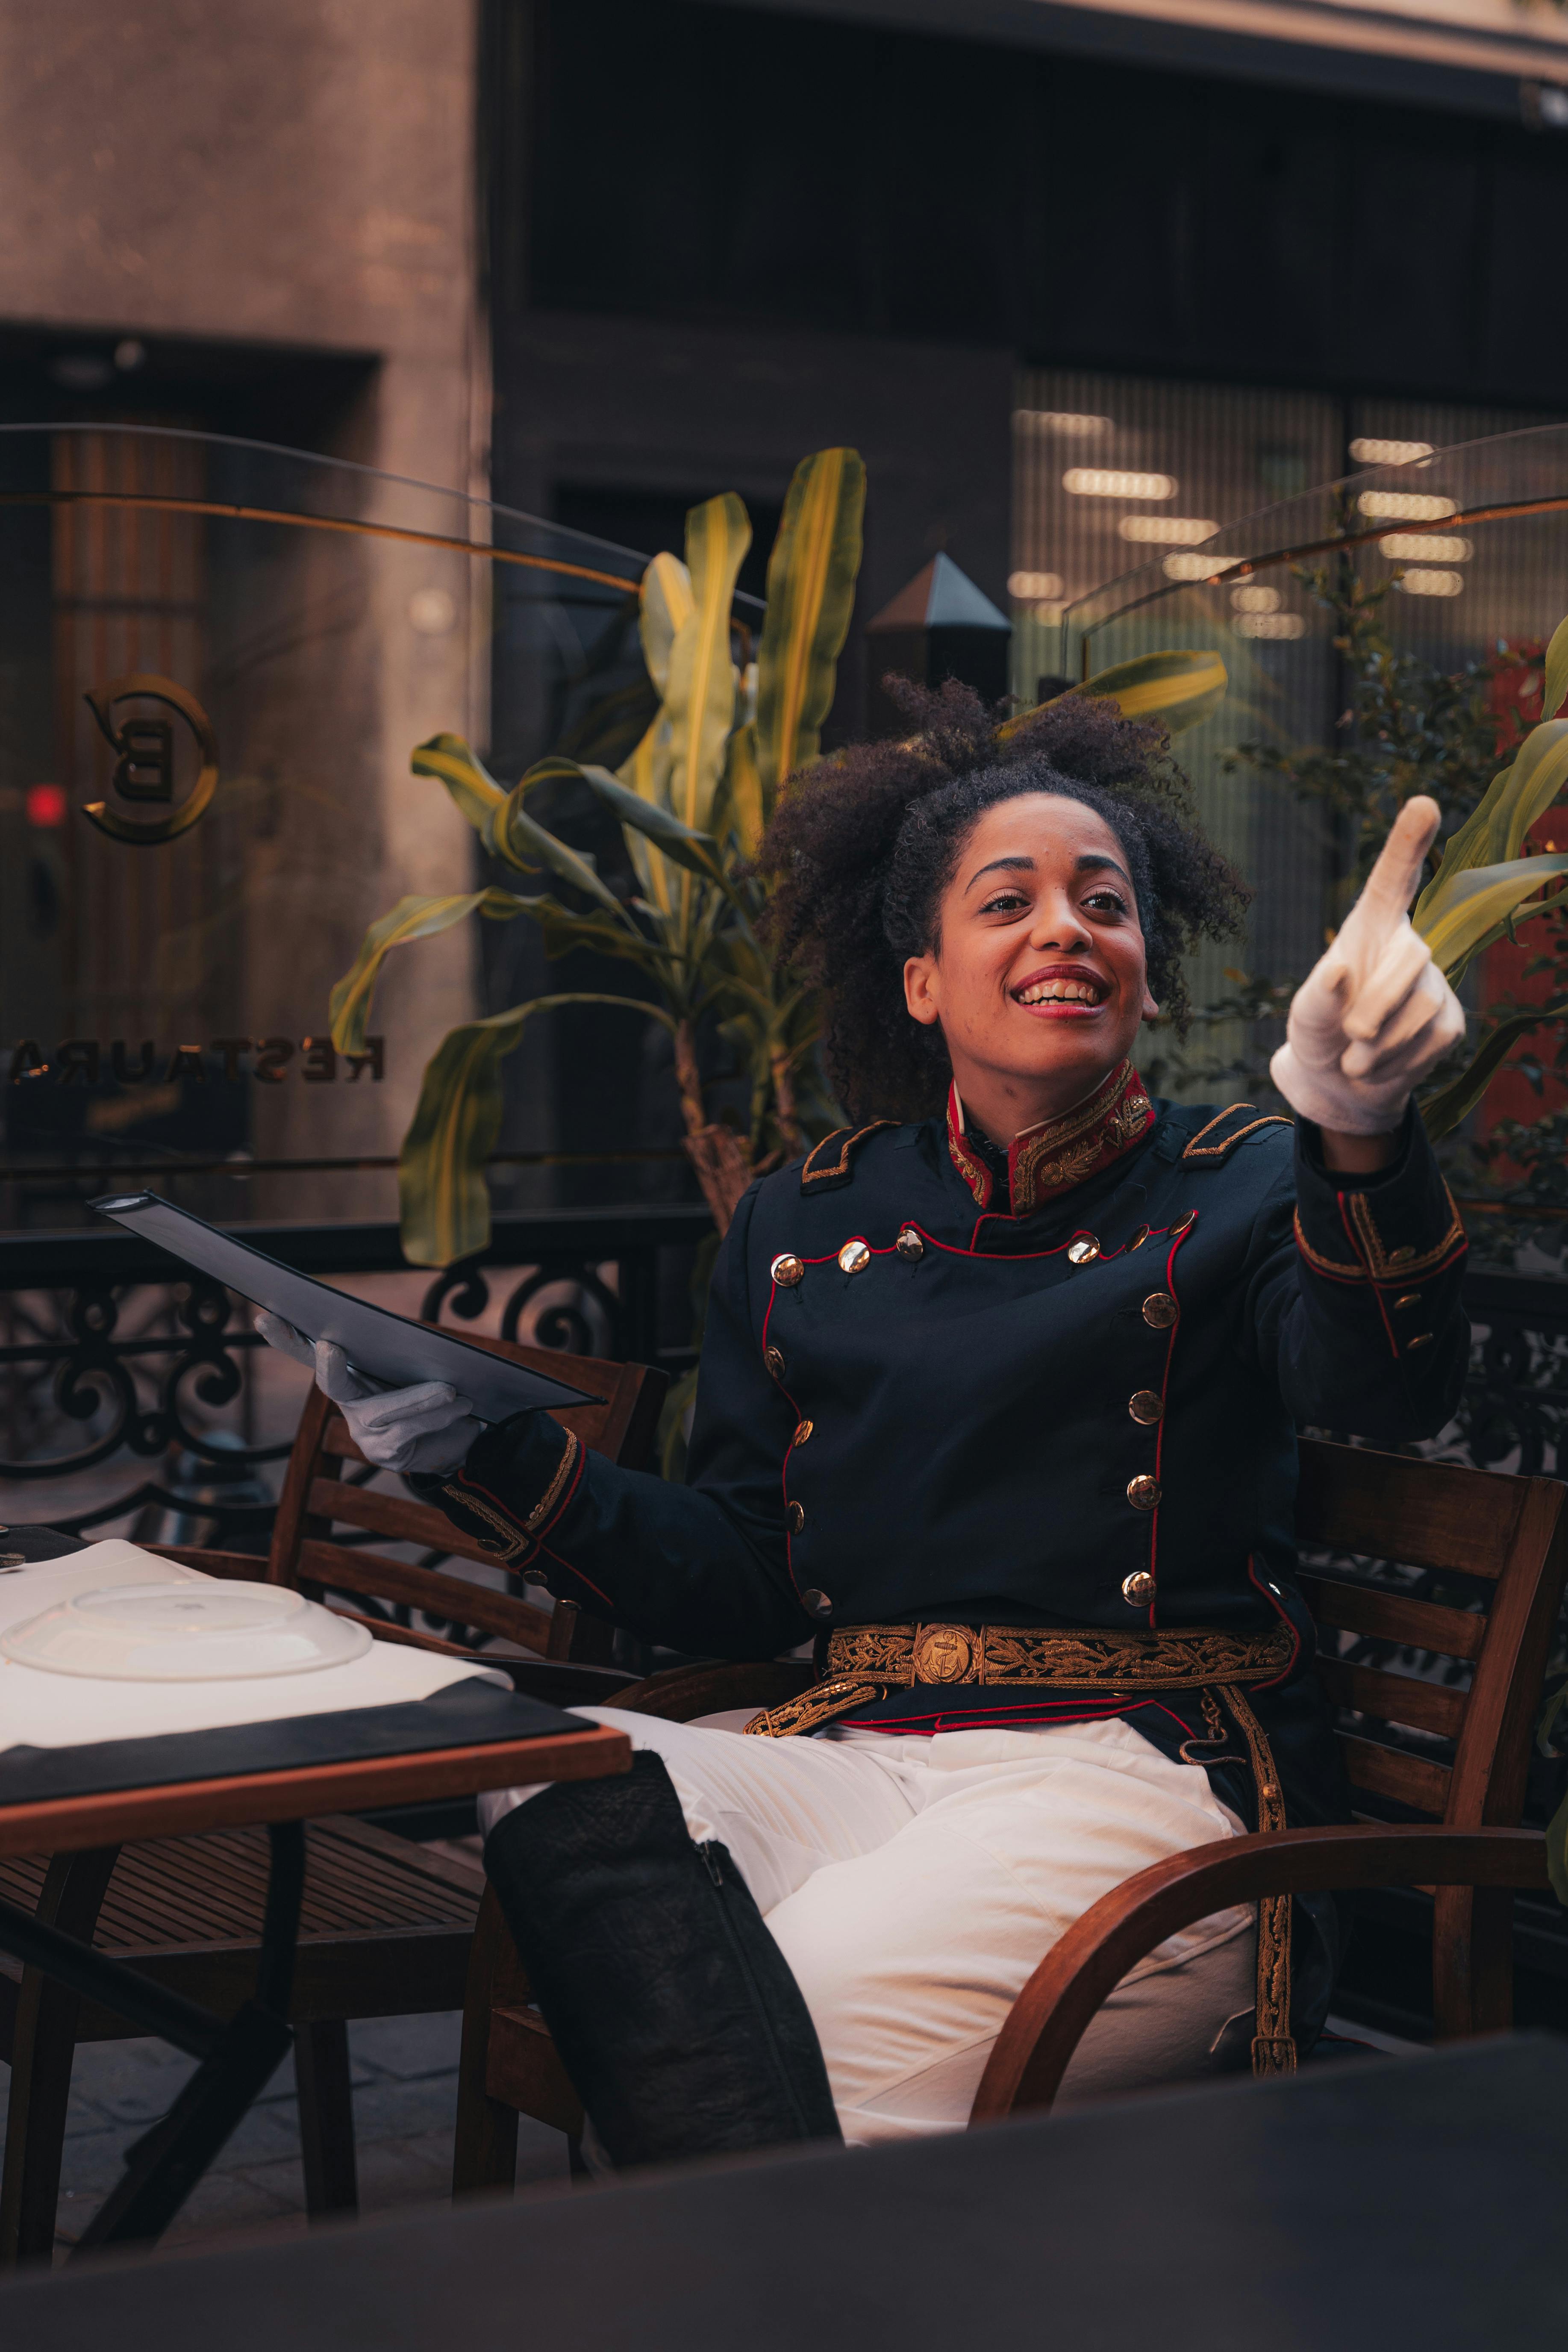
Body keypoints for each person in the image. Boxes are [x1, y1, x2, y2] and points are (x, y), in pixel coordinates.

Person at [261, 686, 1469, 2165]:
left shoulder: (1245, 1183)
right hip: (857, 1753)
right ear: (920, 981)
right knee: (556, 1763)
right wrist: (485, 1451)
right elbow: (749, 1571)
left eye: (1107, 904)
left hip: (1133, 1775)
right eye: (1007, 900)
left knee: (794, 2002)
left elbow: (1383, 1386)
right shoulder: (804, 1216)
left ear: (1148, 979)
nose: (1067, 929)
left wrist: (1364, 1132)